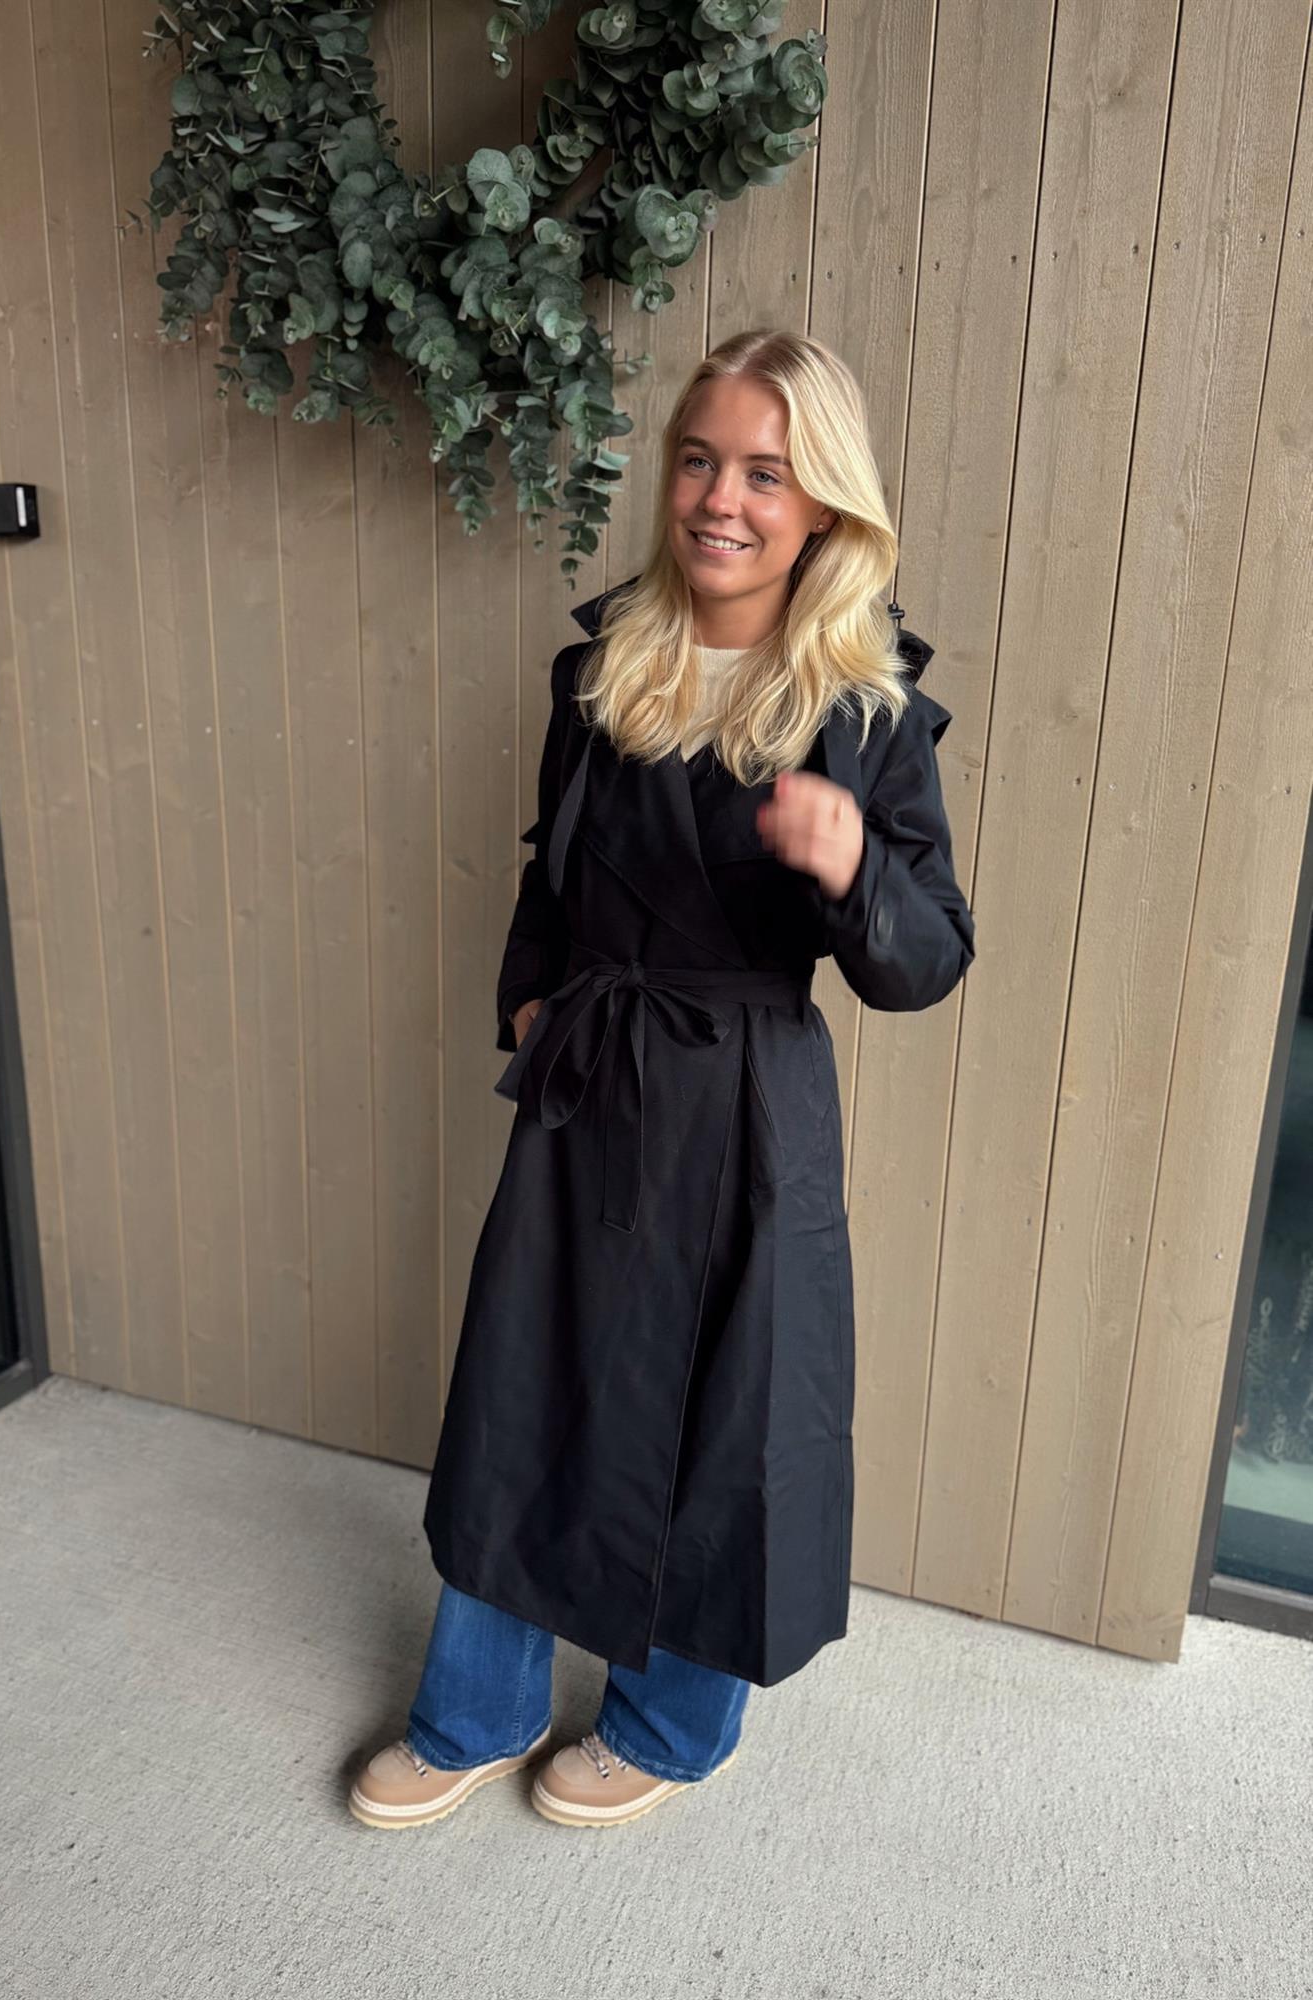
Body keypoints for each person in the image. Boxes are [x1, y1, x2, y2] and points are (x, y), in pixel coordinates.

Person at [349, 328, 975, 1832]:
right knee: (524, 1386)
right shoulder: (604, 669)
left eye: (765, 473)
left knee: (733, 1419)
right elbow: (549, 876)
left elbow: (928, 959)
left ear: (821, 507)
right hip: (590, 1081)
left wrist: (853, 869)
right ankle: (479, 1707)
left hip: (747, 1102)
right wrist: (527, 999)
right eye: (700, 461)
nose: (721, 499)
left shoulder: (866, 707)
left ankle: (677, 1724)